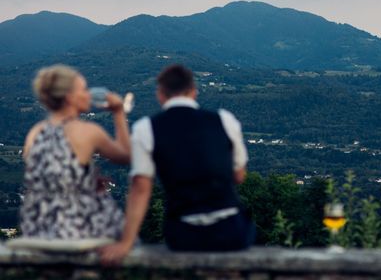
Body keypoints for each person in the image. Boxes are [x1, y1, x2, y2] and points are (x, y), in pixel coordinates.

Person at [100, 64, 254, 262]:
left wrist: (126, 242)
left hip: (185, 233)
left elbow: (140, 187)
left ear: (160, 94)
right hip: (232, 230)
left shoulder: (146, 129)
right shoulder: (225, 120)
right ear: (193, 92)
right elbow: (239, 176)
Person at [20, 64, 130, 239]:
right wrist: (118, 112)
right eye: (84, 89)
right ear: (70, 97)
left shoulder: (34, 133)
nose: (88, 94)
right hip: (77, 225)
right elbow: (125, 156)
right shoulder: (87, 131)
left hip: (39, 226)